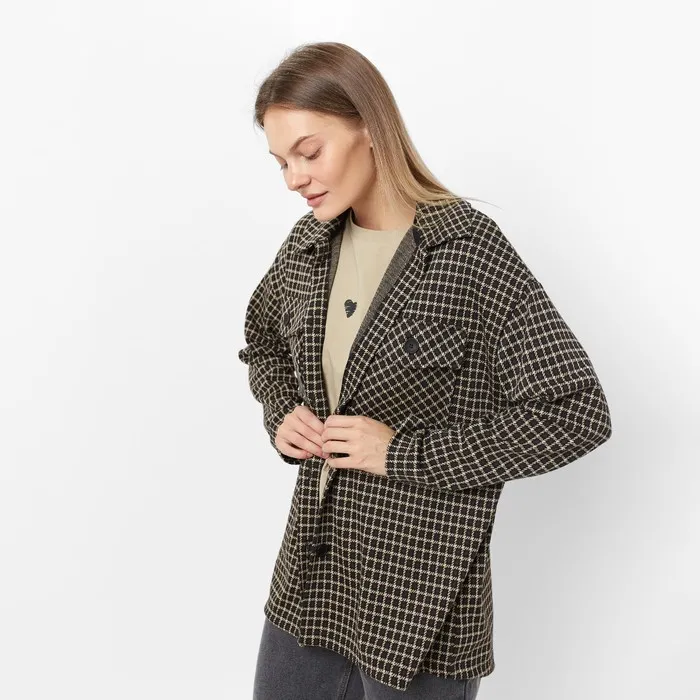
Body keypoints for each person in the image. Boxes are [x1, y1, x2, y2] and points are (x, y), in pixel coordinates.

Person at [238, 42, 612, 700]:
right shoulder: (307, 245)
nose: (294, 178)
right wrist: (280, 412)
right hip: (312, 579)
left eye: (309, 152)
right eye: (281, 162)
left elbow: (577, 413)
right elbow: (262, 337)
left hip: (421, 598)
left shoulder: (468, 252)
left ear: (368, 127)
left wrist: (403, 453)